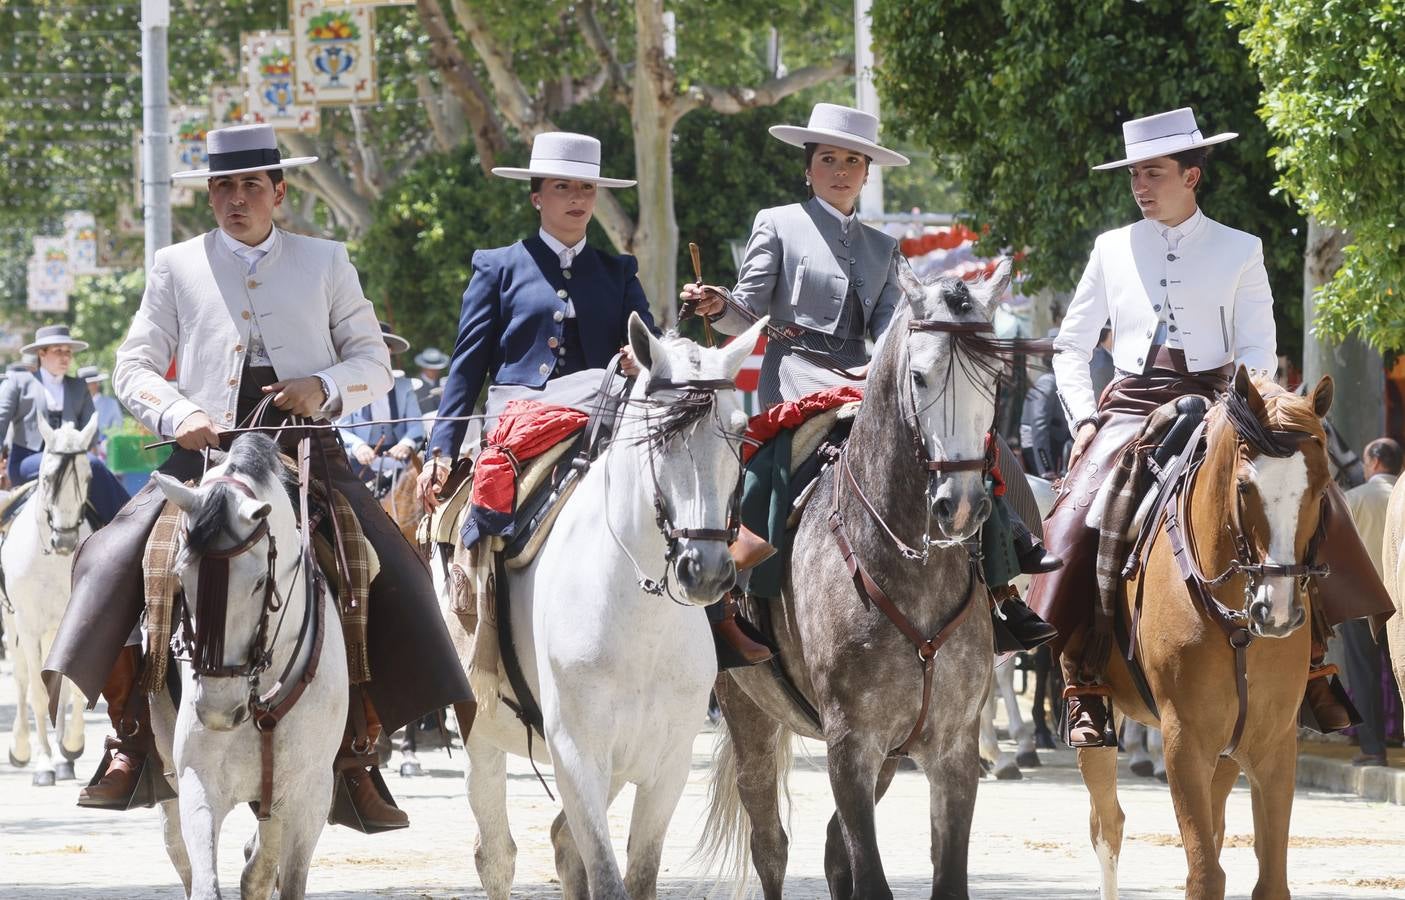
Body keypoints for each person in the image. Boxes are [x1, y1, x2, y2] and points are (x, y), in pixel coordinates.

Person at [42, 124, 472, 829]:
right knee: (110, 557)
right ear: (210, 195)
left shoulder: (327, 260)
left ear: (279, 191)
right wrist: (176, 410)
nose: (236, 199)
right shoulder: (174, 264)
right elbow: (132, 366)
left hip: (307, 449)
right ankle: (129, 736)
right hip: (205, 450)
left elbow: (373, 361)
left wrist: (324, 387)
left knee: (391, 563)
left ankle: (359, 749)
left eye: (250, 186)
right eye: (222, 187)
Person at [1029, 106, 1395, 747]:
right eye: (1134, 175)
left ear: (1191, 175)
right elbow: (1069, 345)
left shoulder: (1240, 249)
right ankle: (1082, 674)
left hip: (1222, 404)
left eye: (1154, 173)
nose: (1141, 186)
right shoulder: (1110, 248)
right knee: (1078, 511)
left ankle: (1313, 662)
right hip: (1130, 407)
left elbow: (1257, 347)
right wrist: (1085, 418)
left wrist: (1245, 416)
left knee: (1304, 495)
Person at [682, 102, 1058, 660]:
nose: (840, 170)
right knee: (769, 467)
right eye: (828, 159)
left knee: (965, 447)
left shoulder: (885, 248)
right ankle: (732, 606)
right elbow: (751, 314)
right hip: (793, 383)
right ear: (808, 169)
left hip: (863, 381)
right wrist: (719, 307)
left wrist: (877, 377)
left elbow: (887, 333)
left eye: (853, 161)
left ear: (866, 172)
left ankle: (1004, 587)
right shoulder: (777, 223)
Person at [418, 131, 652, 484]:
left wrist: (640, 359)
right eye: (562, 186)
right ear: (536, 198)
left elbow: (652, 346)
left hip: (600, 423)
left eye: (587, 187)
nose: (578, 196)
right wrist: (440, 453)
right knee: (487, 518)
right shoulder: (496, 267)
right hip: (516, 425)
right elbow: (467, 368)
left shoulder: (619, 272)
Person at [0, 326, 128, 521]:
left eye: (68, 352)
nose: (65, 357)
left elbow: (91, 434)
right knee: (91, 464)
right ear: (41, 353)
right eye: (58, 351)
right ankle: (127, 520)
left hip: (72, 455)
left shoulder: (78, 386)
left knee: (90, 466)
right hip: (27, 461)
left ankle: (121, 523)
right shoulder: (18, 382)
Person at [1342, 438, 1401, 766]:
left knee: (1363, 675)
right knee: (1400, 671)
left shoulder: (1353, 499)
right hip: (1401, 602)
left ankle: (1373, 750)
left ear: (1376, 463)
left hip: (1362, 603)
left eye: (1365, 463)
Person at [338, 322, 424, 491]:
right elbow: (340, 427)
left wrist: (405, 444)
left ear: (390, 351)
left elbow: (416, 424)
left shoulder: (404, 387)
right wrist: (358, 446)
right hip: (361, 460)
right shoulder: (349, 386)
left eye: (384, 347)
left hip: (398, 459)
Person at [1021, 327, 1073, 480]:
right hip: (1044, 455)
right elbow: (1039, 427)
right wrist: (1046, 468)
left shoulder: (1057, 381)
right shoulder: (1048, 382)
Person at [77, 365, 125, 447]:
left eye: (88, 383)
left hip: (105, 449)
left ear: (96, 384)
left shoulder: (111, 403)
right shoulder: (76, 404)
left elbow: (118, 426)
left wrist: (105, 442)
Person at [412, 346, 448, 413]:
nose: (434, 371)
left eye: (437, 368)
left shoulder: (443, 383)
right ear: (424, 367)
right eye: (431, 369)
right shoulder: (415, 385)